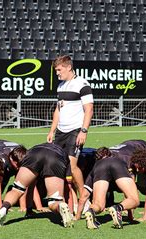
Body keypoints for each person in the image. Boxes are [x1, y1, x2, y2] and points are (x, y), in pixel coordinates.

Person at [47, 55, 93, 211]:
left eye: (59, 70)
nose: (57, 73)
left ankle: (84, 197)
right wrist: (52, 130)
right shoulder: (60, 86)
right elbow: (58, 110)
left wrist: (83, 131)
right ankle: (63, 198)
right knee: (58, 164)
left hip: (75, 130)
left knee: (72, 166)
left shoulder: (82, 84)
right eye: (56, 71)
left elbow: (89, 110)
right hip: (61, 132)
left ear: (68, 67)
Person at [0, 143, 73, 228]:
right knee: (54, 201)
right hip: (55, 158)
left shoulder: (35, 148)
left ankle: (4, 208)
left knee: (17, 189)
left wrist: (29, 209)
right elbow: (68, 189)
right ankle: (60, 205)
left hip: (34, 153)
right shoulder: (65, 156)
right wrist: (71, 213)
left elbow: (31, 185)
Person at [77, 147, 140, 229]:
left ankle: (91, 211)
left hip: (100, 169)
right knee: (134, 199)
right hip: (117, 165)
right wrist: (130, 216)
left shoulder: (96, 166)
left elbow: (83, 197)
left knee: (98, 205)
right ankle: (117, 208)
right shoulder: (119, 160)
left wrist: (77, 216)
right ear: (110, 154)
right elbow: (128, 195)